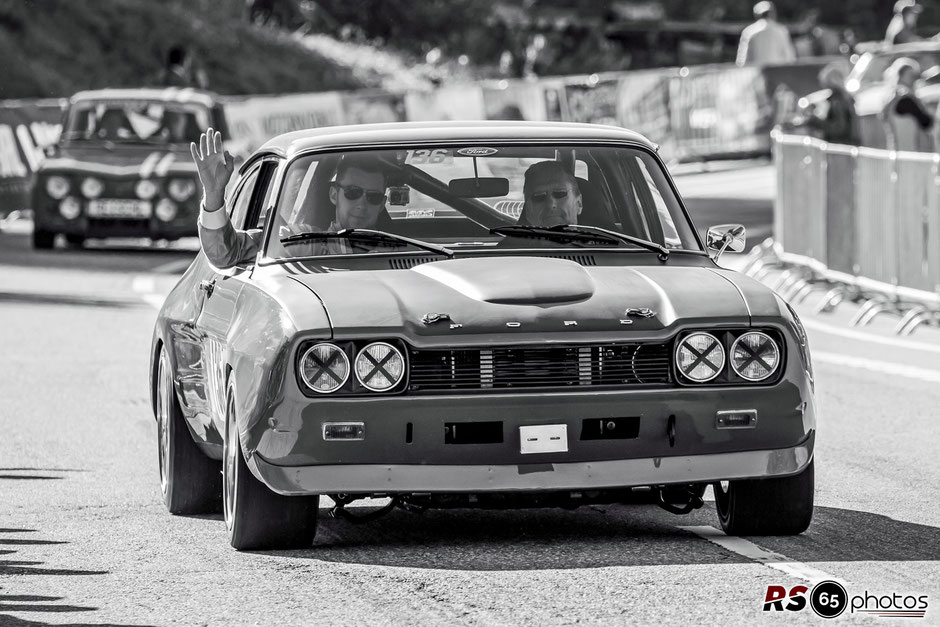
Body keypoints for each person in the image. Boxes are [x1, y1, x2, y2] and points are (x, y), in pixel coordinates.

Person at [191, 128, 389, 268]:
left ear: (382, 205)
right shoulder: (303, 244)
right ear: (334, 195)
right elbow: (227, 253)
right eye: (353, 193)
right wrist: (214, 194)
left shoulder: (410, 251)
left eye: (373, 197)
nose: (362, 204)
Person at [881, 58, 934, 151]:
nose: (914, 80)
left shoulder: (891, 96)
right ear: (901, 76)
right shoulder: (905, 99)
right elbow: (927, 122)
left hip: (897, 153)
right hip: (911, 153)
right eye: (912, 75)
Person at [807, 64, 860, 145]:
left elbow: (839, 128)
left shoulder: (838, 101)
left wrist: (816, 122)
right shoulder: (845, 98)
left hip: (841, 147)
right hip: (848, 145)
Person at [517, 161, 582, 227]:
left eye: (560, 193)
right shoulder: (512, 237)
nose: (550, 204)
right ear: (527, 211)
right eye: (539, 196)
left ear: (579, 204)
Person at [736, 1, 796, 67]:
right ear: (772, 13)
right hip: (777, 72)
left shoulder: (749, 32)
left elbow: (742, 61)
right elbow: (789, 57)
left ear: (756, 15)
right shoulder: (781, 30)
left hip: (757, 73)